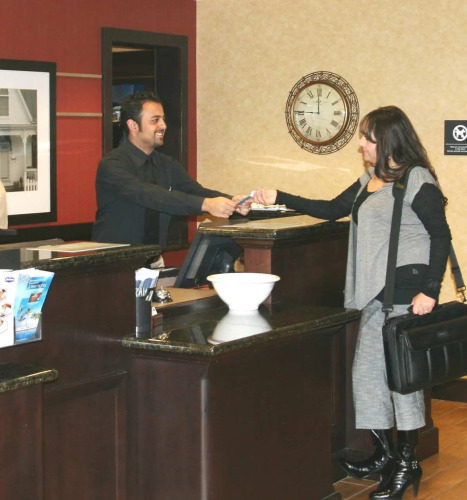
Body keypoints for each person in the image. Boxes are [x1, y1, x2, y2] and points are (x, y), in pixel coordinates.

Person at [254, 106, 451, 499]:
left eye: (367, 137)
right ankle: (384, 453)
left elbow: (440, 235)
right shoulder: (370, 179)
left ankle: (406, 462)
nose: (361, 144)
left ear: (387, 140)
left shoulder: (416, 178)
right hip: (376, 293)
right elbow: (331, 209)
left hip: (405, 292)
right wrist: (279, 196)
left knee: (402, 382)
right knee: (367, 375)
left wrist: (430, 290)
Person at [92, 90, 250, 249]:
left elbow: (194, 191)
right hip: (115, 258)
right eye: (155, 120)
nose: (163, 126)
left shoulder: (167, 164)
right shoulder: (112, 165)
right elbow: (149, 195)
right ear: (133, 125)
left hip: (154, 256)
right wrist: (205, 205)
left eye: (163, 119)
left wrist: (232, 200)